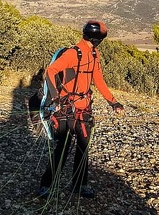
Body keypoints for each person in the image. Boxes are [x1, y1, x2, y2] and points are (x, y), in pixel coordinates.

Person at [38, 20, 124, 198]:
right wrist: (55, 98)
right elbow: (51, 71)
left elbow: (98, 79)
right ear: (97, 39)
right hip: (67, 109)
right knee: (63, 147)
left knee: (83, 149)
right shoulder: (72, 53)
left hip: (84, 109)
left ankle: (79, 185)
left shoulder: (94, 54)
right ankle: (46, 185)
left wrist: (113, 102)